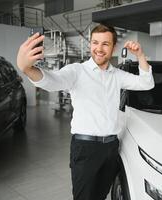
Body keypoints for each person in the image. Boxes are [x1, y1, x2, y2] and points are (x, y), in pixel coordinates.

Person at [16, 24, 154, 200]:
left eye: (105, 44)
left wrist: (141, 55)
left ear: (113, 47)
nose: (99, 48)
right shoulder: (77, 71)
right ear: (90, 45)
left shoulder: (118, 75)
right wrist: (28, 68)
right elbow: (52, 81)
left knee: (101, 196)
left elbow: (146, 83)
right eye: (95, 42)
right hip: (85, 149)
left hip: (111, 148)